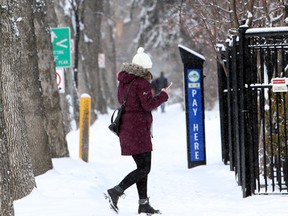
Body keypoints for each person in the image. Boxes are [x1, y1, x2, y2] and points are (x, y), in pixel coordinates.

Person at [105, 47, 169, 215]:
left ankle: (143, 204)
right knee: (144, 168)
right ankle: (116, 191)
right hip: (138, 129)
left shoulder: (124, 81)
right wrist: (163, 95)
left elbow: (123, 100)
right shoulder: (141, 82)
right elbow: (148, 105)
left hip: (128, 127)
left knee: (142, 166)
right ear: (143, 68)